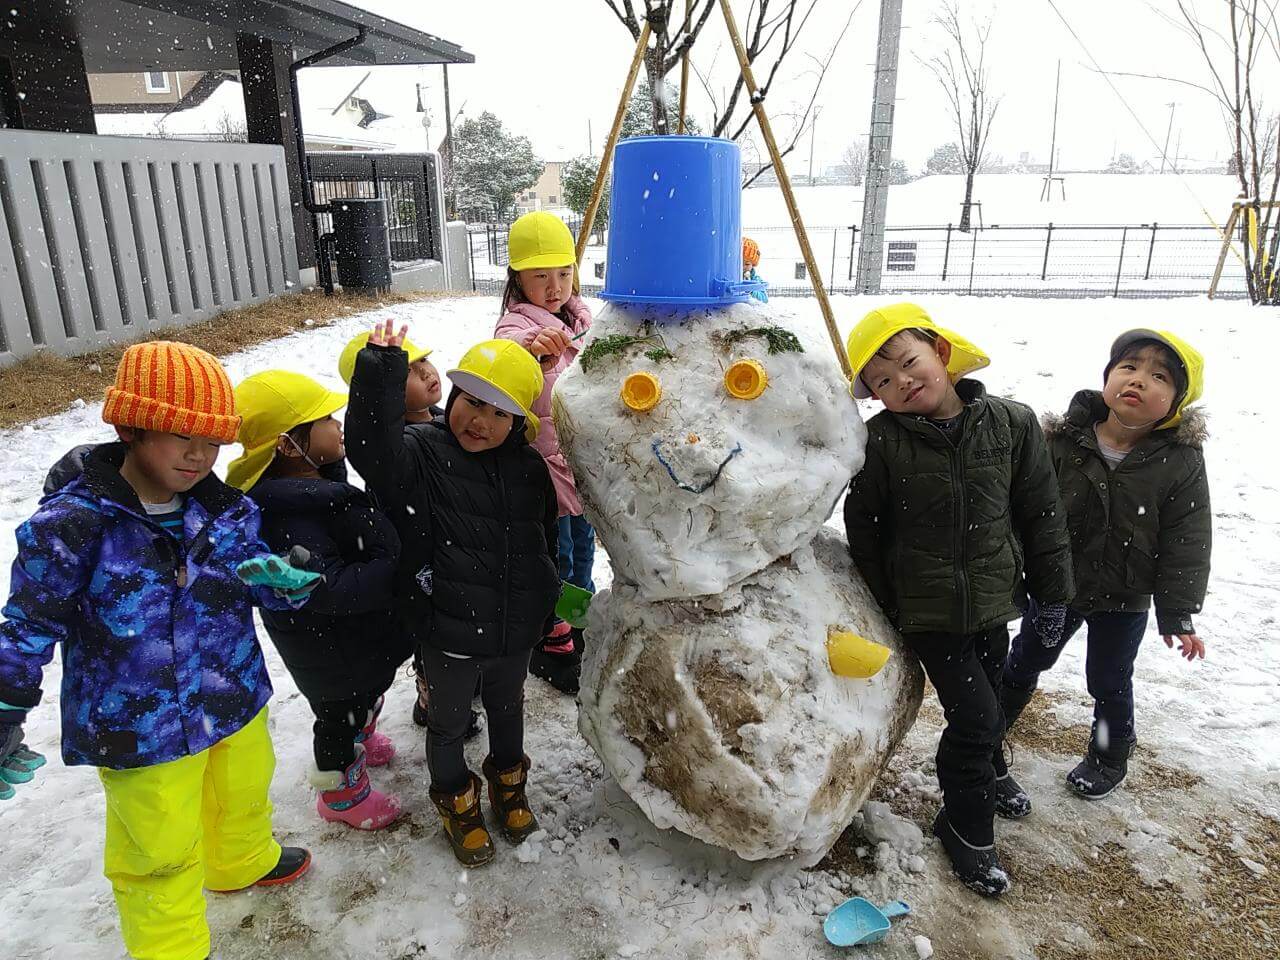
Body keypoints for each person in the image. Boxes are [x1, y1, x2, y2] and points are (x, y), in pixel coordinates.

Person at [0, 341, 313, 960]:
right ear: (129, 427)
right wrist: (5, 709)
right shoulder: (73, 526)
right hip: (139, 725)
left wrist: (281, 583)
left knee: (243, 790)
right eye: (180, 436)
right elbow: (26, 624)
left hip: (231, 695)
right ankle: (171, 950)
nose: (200, 455)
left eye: (213, 440)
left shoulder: (225, 510)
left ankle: (241, 860)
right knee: (159, 849)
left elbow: (249, 578)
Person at [843, 303, 1073, 897]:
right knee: (975, 717)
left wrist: (1053, 599)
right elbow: (863, 529)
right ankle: (966, 828)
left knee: (993, 700)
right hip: (928, 614)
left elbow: (1041, 516)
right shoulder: (882, 443)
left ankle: (990, 771)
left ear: (941, 353)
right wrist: (887, 605)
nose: (901, 381)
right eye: (882, 381)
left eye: (908, 362)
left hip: (995, 601)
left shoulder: (1012, 424)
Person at [345, 321, 560, 867]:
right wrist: (379, 374)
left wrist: (543, 599)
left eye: (498, 412)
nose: (478, 420)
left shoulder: (530, 469)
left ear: (518, 423)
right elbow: (373, 452)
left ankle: (509, 787)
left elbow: (543, 541)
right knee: (448, 723)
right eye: (470, 401)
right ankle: (456, 800)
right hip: (448, 625)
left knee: (508, 709)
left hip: (511, 628)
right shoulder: (421, 450)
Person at [1000, 329, 1209, 799]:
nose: (1139, 380)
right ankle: (988, 734)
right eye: (1129, 367)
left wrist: (1177, 611)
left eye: (1159, 377)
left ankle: (1108, 754)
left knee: (1110, 680)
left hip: (1124, 597)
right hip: (1058, 589)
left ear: (1175, 402)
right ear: (1108, 378)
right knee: (1027, 658)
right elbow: (1025, 512)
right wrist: (1016, 575)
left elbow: (1188, 539)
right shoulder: (1062, 443)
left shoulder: (1180, 461)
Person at [227, 369, 411, 831]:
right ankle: (340, 794)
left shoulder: (318, 485)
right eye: (326, 418)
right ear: (290, 445)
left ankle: (362, 731)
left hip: (353, 641)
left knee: (364, 696)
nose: (338, 425)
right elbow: (327, 588)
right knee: (336, 719)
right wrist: (394, 571)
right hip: (330, 650)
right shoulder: (288, 516)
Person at [495, 211, 595, 695]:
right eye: (540, 276)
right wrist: (534, 349)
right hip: (544, 472)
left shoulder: (582, 319)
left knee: (583, 556)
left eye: (563, 273)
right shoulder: (516, 326)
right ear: (517, 278)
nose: (554, 286)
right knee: (558, 560)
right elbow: (509, 356)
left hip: (580, 467)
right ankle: (553, 644)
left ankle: (575, 628)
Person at [338, 332, 448, 729]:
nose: (427, 374)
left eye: (425, 364)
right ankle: (431, 693)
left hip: (450, 547)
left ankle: (455, 680)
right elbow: (372, 438)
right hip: (418, 557)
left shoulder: (443, 419)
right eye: (410, 372)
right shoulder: (388, 450)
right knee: (430, 633)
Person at [742, 236, 768, 303]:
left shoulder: (756, 280)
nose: (743, 267)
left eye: (747, 264)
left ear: (753, 265)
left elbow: (764, 299)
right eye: (739, 263)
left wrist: (751, 290)